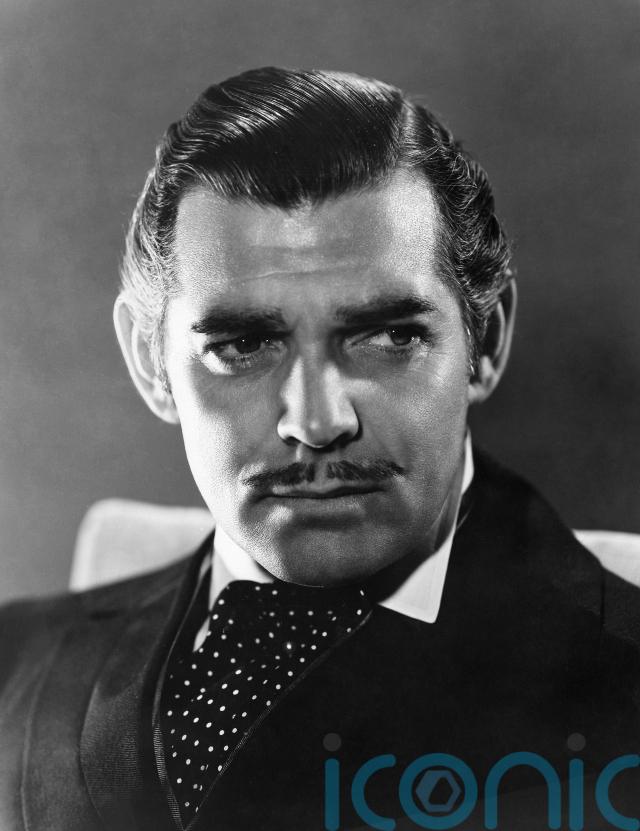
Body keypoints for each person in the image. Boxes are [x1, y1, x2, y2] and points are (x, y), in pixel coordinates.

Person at [0, 67, 638, 831]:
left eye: (390, 336)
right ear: (149, 363)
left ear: (486, 339)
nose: (317, 420)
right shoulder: (15, 655)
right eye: (242, 345)